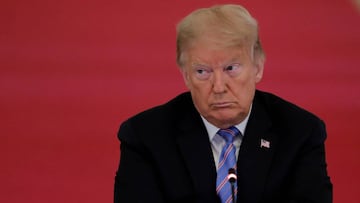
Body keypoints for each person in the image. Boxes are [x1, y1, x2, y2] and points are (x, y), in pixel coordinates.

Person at [114, 4, 332, 203]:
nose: (218, 87)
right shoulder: (145, 137)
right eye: (202, 72)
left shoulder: (299, 132)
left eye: (231, 69)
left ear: (258, 67)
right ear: (185, 76)